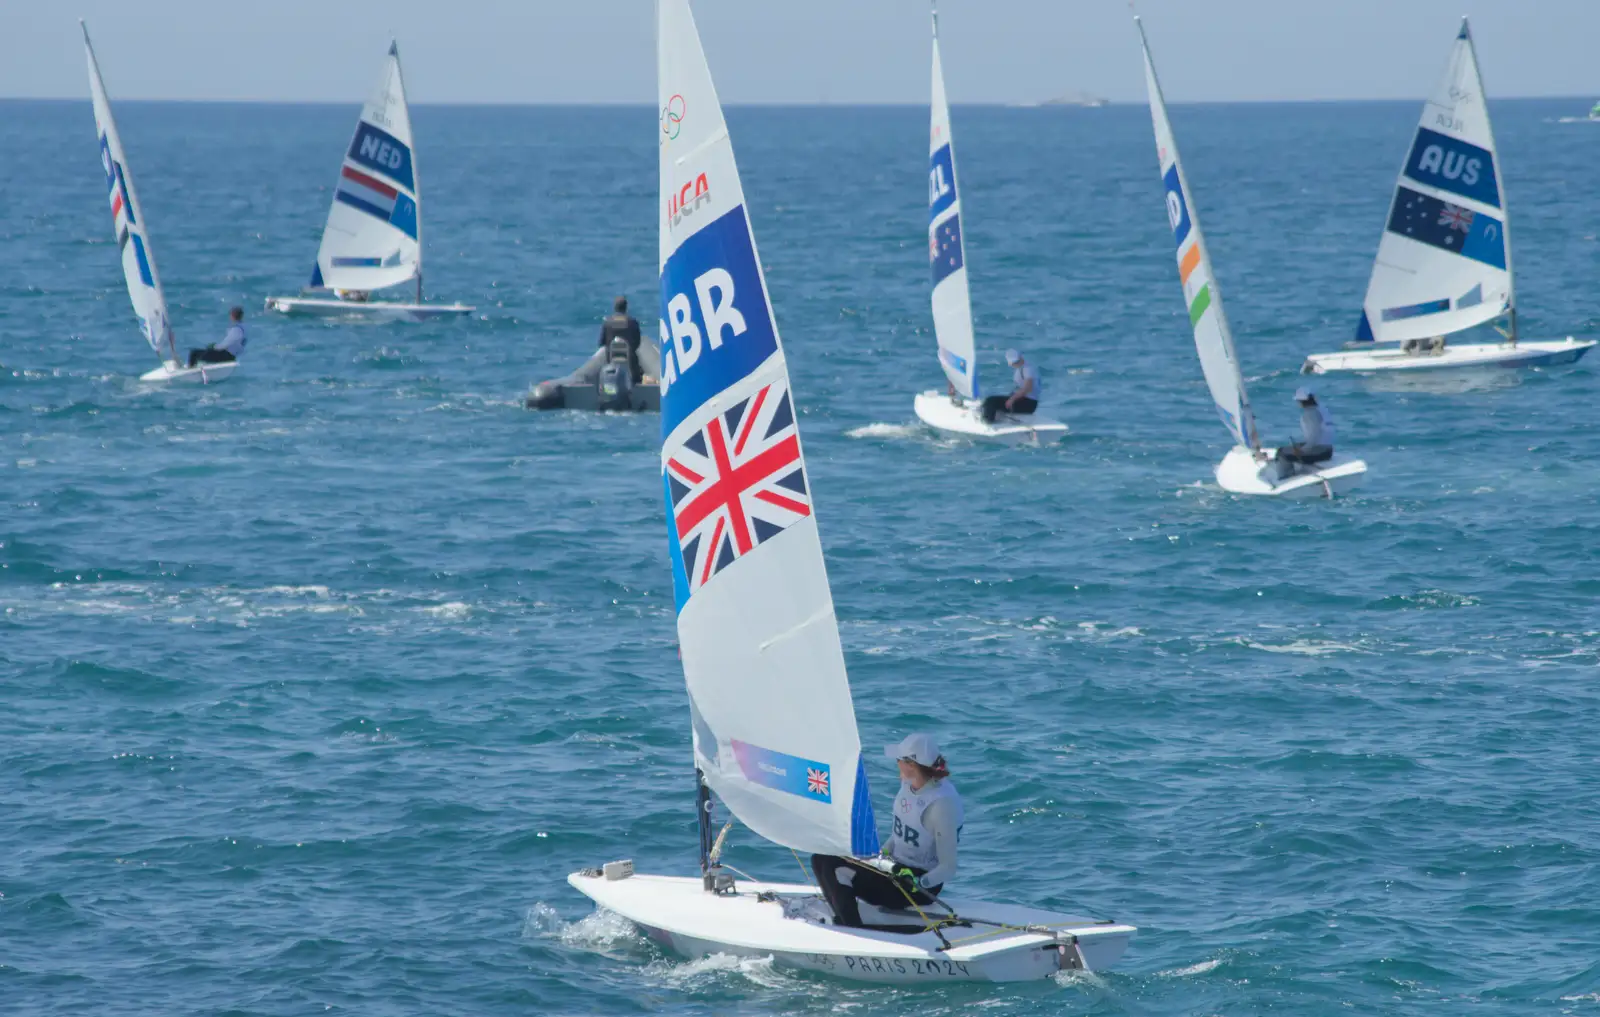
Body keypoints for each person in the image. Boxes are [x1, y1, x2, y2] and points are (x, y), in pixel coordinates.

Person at [811, 733, 964, 928]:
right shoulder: (909, 784)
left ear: (911, 764)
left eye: (899, 759)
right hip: (895, 869)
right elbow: (900, 834)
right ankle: (842, 918)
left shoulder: (941, 806)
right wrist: (881, 853)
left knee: (837, 868)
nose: (896, 762)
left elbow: (948, 868)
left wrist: (919, 882)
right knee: (821, 856)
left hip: (918, 885)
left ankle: (854, 930)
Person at [1276, 386, 1335, 476]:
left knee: (1282, 453)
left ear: (1301, 401)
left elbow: (1314, 438)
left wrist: (1302, 450)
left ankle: (1286, 478)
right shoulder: (1320, 410)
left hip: (1322, 452)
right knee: (1290, 448)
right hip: (1327, 449)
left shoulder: (1309, 415)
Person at [980, 349, 1040, 422]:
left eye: (1016, 361)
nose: (1015, 363)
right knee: (988, 402)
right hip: (1024, 400)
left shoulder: (1028, 369)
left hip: (1028, 404)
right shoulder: (1022, 367)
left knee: (991, 401)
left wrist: (1012, 399)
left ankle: (989, 424)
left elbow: (1028, 388)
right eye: (1014, 362)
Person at [598, 295, 645, 384]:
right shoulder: (632, 322)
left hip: (610, 361)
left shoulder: (607, 322)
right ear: (626, 308)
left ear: (615, 307)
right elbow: (637, 343)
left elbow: (601, 342)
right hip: (630, 363)